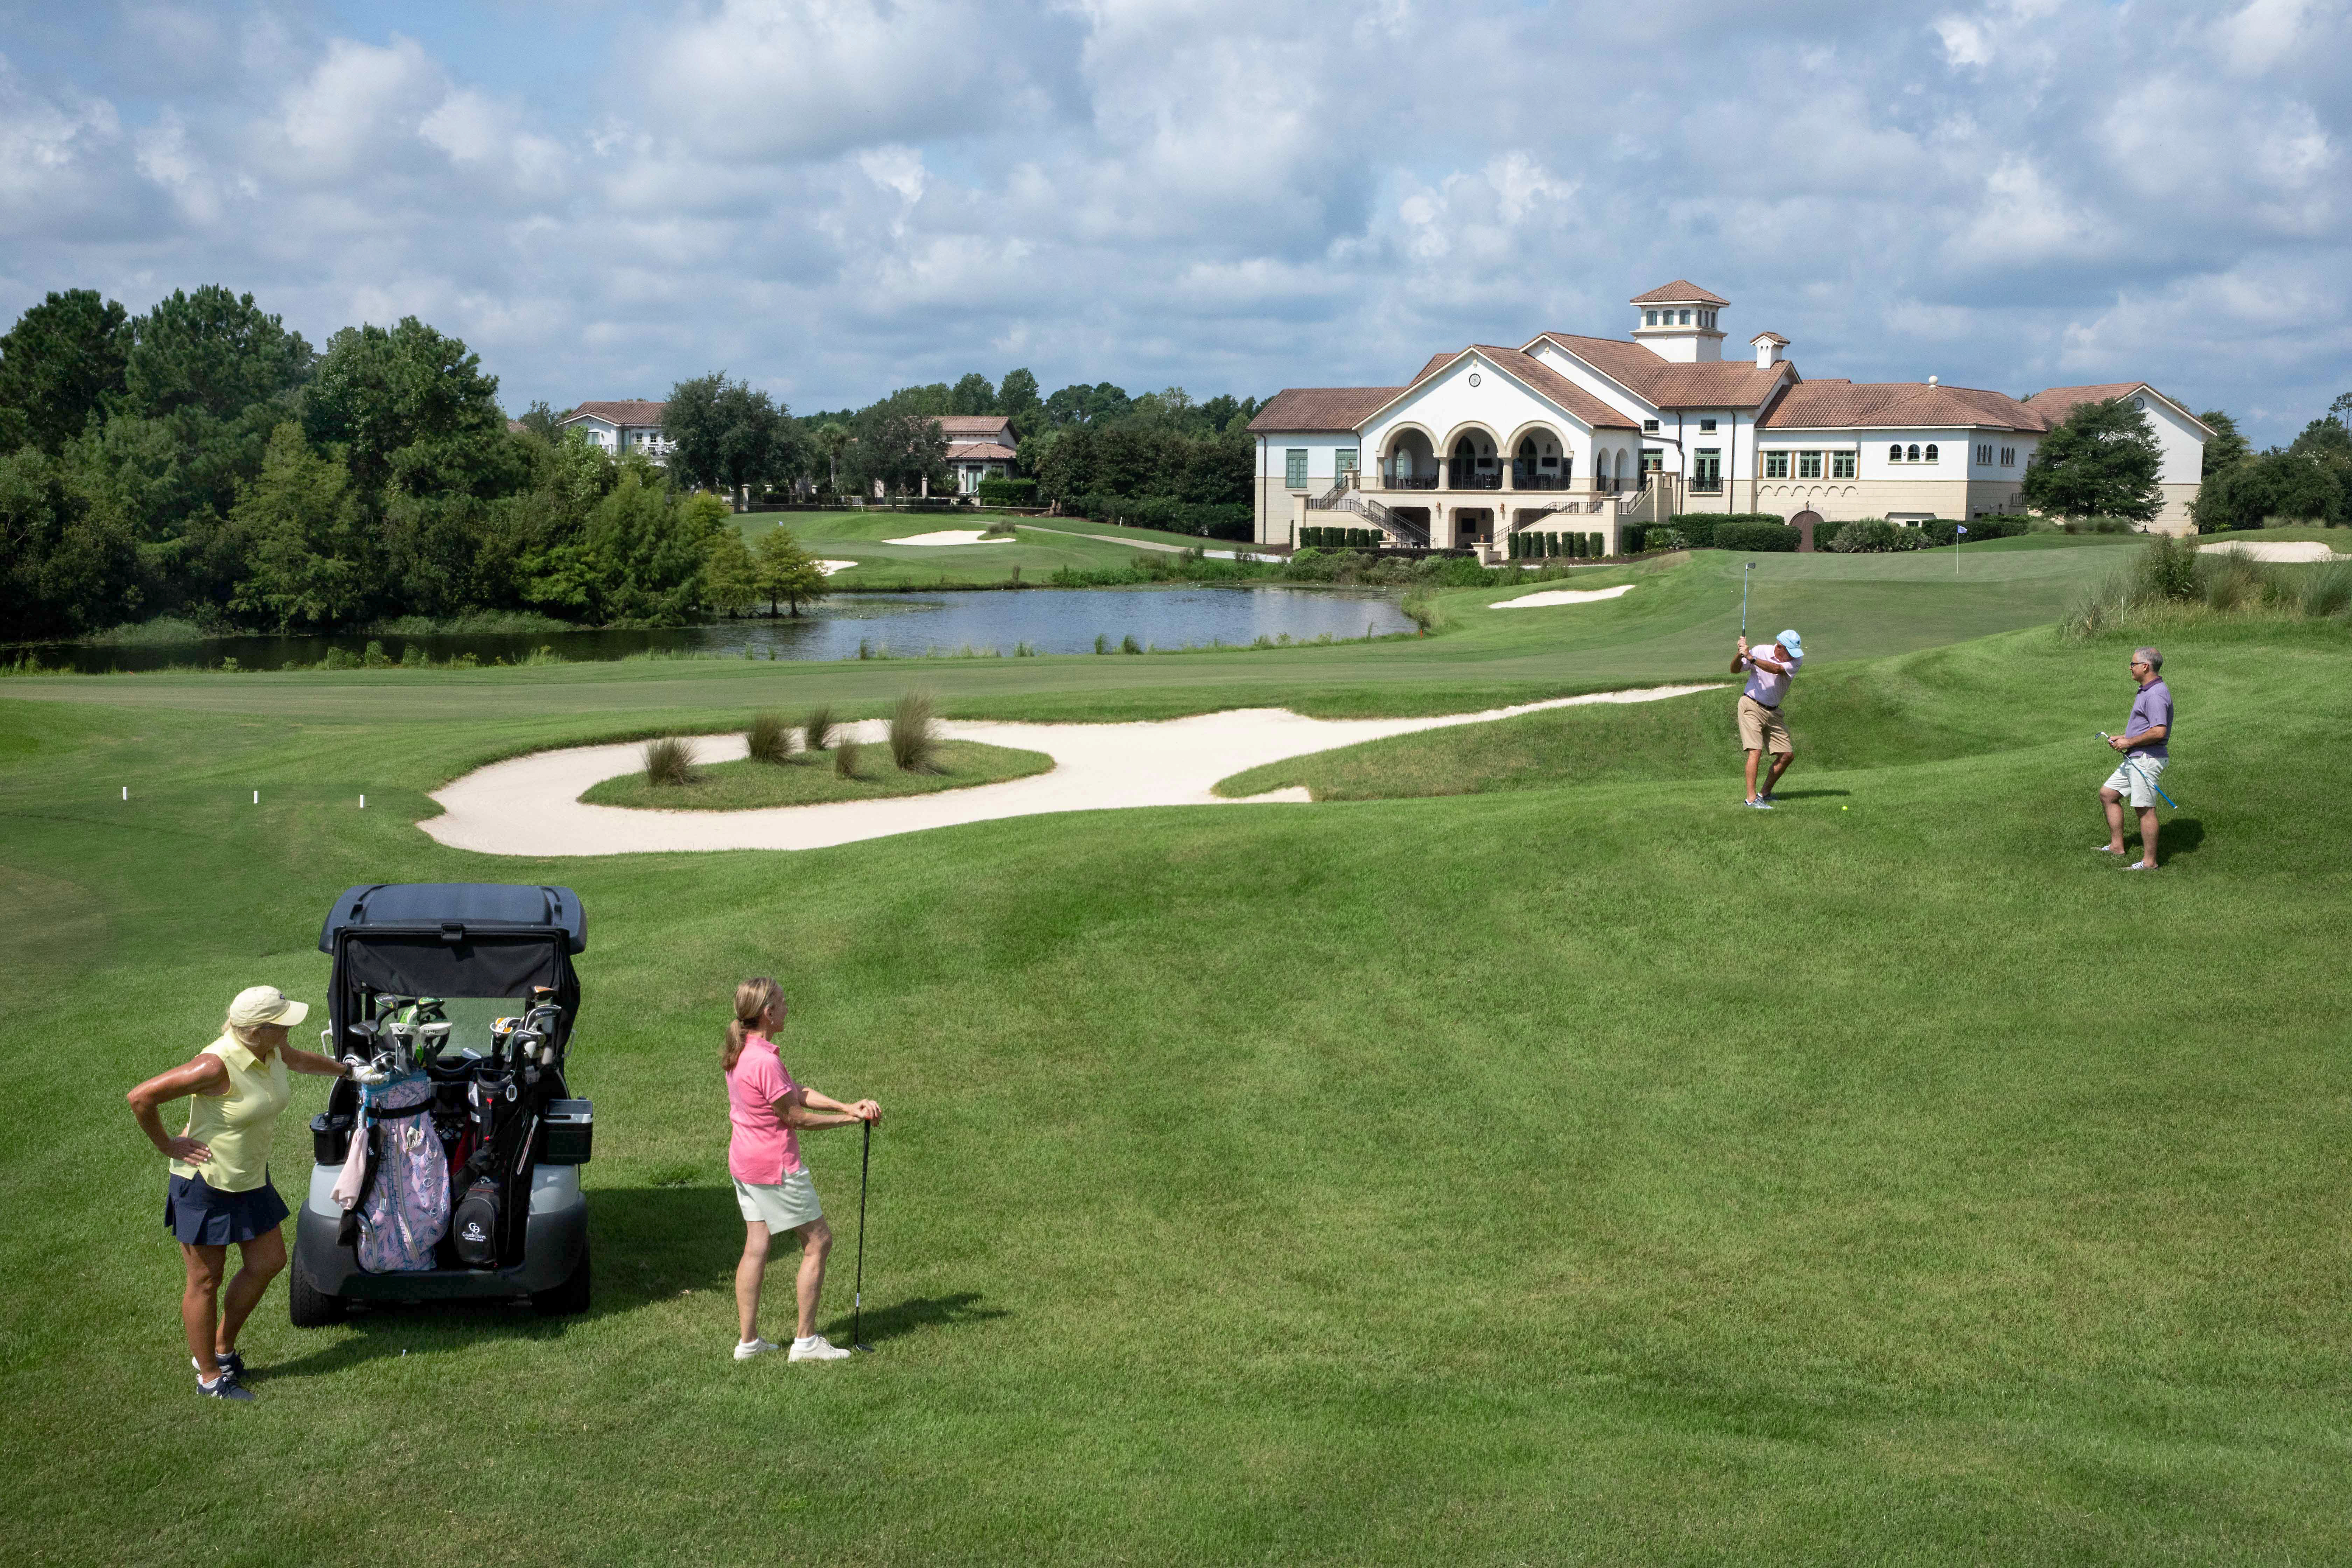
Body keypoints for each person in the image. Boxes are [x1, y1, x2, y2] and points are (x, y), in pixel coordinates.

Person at [126, 985, 359, 1401]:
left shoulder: (271, 1051)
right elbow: (141, 1097)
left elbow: (301, 1060)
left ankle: (222, 1347)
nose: (290, 1028)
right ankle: (211, 1377)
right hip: (205, 1183)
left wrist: (348, 1071)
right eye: (282, 1023)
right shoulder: (214, 1065)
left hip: (249, 1177)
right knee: (205, 1279)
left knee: (269, 1261)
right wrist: (168, 1144)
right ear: (256, 1029)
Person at [723, 976, 881, 1363]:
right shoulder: (765, 1060)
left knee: (757, 1245)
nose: (787, 1006)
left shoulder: (744, 1050)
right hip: (774, 1168)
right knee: (818, 1242)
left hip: (744, 1163)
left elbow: (796, 1091)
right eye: (782, 1001)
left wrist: (847, 1106)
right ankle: (806, 1342)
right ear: (768, 1012)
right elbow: (795, 1116)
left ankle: (748, 1343)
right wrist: (851, 1122)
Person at [2099, 645, 2172, 870]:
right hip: (2137, 757)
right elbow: (2148, 727)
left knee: (2144, 809)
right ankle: (2117, 847)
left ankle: (2150, 862)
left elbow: (2159, 731)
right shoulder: (2146, 690)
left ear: (2145, 666)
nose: (2130, 668)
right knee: (2108, 794)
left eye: (2132, 664)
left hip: (2147, 759)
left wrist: (2129, 742)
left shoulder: (2156, 694)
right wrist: (2126, 737)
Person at [1732, 627, 1804, 809]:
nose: (1793, 657)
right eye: (1790, 652)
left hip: (1774, 711)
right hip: (1751, 705)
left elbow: (1777, 670)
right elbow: (1735, 671)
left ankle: (1764, 794)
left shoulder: (1796, 661)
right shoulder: (1759, 650)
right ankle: (1751, 800)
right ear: (1779, 647)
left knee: (1787, 755)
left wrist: (1752, 658)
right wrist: (1740, 654)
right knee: (1755, 751)